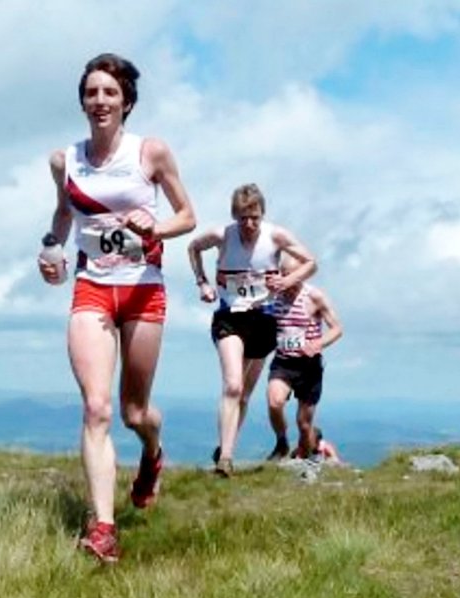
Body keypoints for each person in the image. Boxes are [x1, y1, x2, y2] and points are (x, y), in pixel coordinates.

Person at [37, 53, 197, 563]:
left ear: (126, 101)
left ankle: (152, 454)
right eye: (91, 92)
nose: (99, 101)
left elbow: (188, 216)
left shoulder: (150, 152)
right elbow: (64, 214)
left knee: (133, 412)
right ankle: (103, 527)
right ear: (82, 100)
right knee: (96, 408)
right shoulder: (66, 160)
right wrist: (51, 246)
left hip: (143, 289)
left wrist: (157, 227)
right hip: (92, 288)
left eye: (110, 93)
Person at [187, 184, 317, 477]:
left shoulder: (276, 236)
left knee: (244, 394)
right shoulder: (222, 235)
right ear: (235, 215)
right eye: (243, 217)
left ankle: (226, 449)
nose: (249, 224)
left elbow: (311, 262)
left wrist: (287, 280)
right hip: (230, 318)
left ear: (262, 215)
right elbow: (193, 247)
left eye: (254, 217)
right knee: (232, 384)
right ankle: (226, 460)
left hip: (264, 320)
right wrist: (202, 282)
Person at [265, 254, 343, 463]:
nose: (287, 280)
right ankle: (282, 442)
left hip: (309, 366)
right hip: (283, 361)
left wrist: (318, 344)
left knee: (304, 424)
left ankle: (306, 461)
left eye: (292, 276)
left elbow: (337, 329)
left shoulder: (314, 297)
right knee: (274, 402)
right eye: (284, 275)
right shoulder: (273, 296)